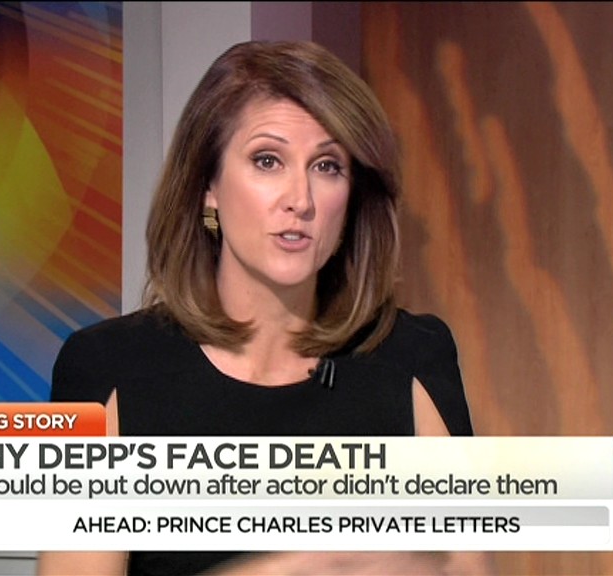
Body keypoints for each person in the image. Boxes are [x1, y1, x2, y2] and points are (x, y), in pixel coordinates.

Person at [37, 40, 490, 576]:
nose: (301, 199)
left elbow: (465, 568)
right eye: (267, 161)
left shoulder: (411, 355)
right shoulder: (109, 366)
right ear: (207, 186)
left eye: (327, 166)